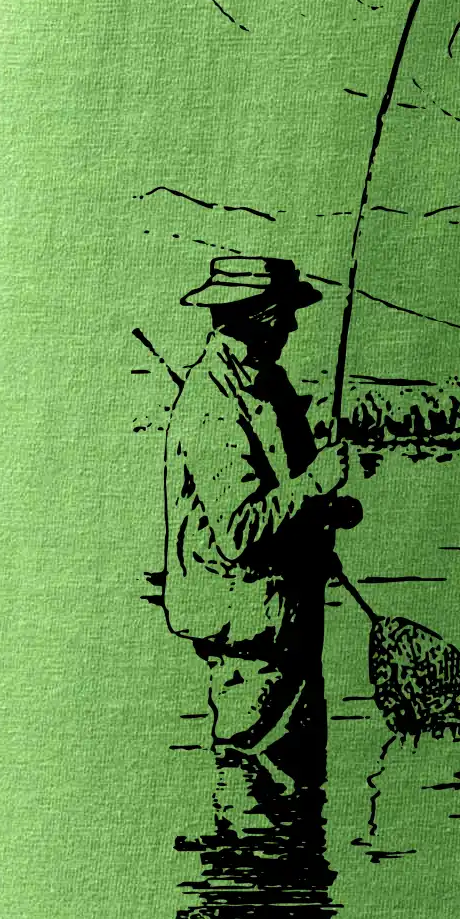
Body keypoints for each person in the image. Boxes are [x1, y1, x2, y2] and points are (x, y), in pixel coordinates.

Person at [163, 255, 358, 765]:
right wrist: (314, 483)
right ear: (250, 315)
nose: (292, 325)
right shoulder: (212, 402)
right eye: (282, 312)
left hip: (287, 626)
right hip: (249, 640)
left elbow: (286, 499)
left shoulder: (270, 384)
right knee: (251, 780)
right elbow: (239, 530)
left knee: (298, 788)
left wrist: (326, 510)